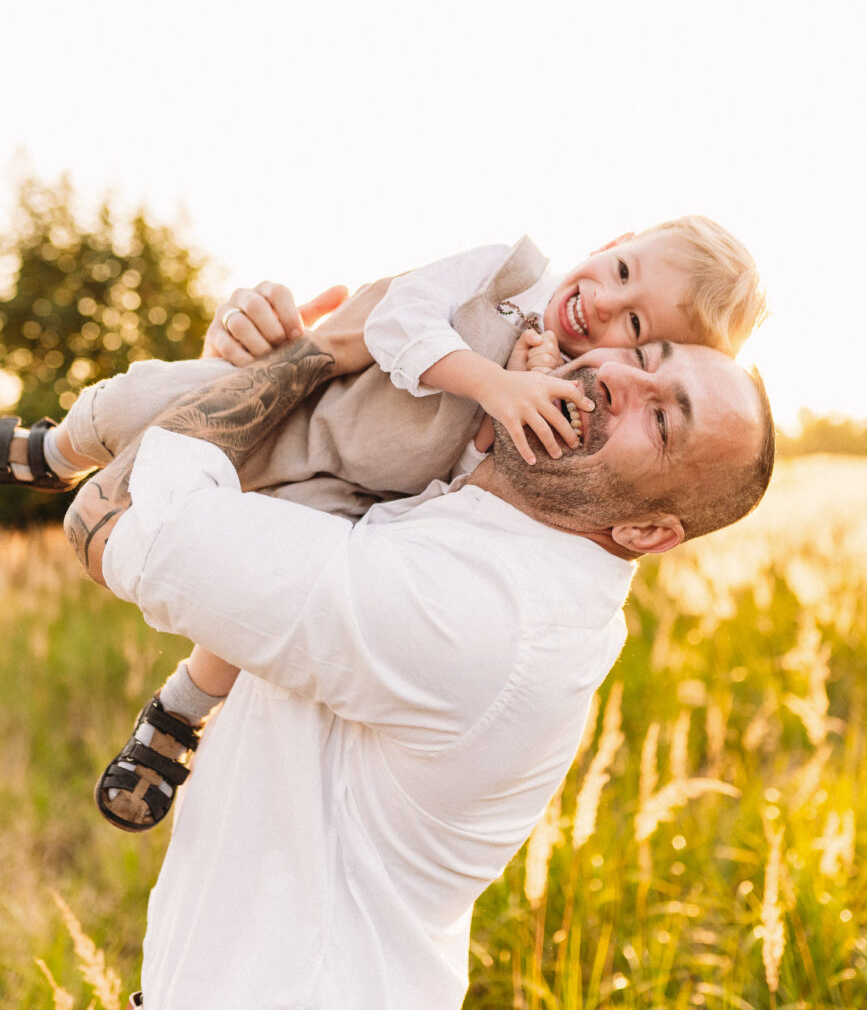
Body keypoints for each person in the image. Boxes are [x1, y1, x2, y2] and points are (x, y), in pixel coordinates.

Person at [63, 319, 775, 1010]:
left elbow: (112, 519)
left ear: (644, 531)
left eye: (661, 421)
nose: (618, 378)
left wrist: (322, 349)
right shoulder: (486, 523)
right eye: (643, 354)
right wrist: (253, 355)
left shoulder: (484, 615)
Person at [2, 216, 765, 831]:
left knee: (238, 610)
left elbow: (460, 491)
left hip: (348, 490)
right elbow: (392, 318)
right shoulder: (505, 277)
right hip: (305, 407)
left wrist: (516, 402)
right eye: (621, 271)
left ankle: (180, 712)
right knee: (139, 401)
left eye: (633, 326)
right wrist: (493, 383)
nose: (602, 307)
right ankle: (48, 452)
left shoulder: (546, 432)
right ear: (611, 241)